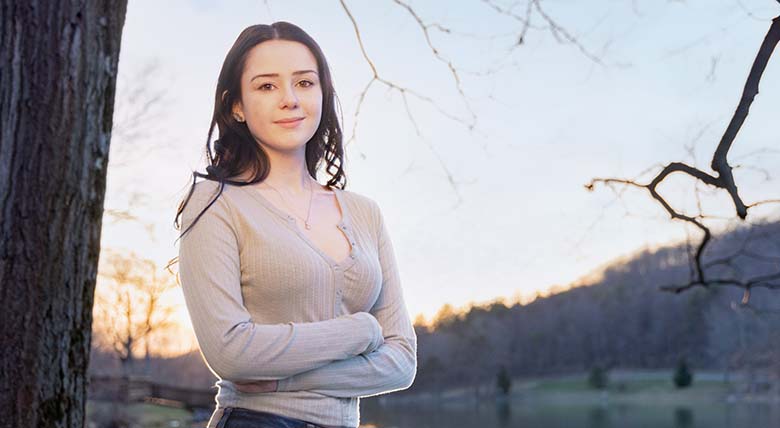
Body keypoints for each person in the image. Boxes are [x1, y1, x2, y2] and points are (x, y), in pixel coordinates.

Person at [172, 22, 417, 428]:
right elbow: (230, 352)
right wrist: (360, 330)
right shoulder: (215, 203)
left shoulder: (364, 212)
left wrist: (284, 381)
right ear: (237, 106)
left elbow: (402, 360)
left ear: (322, 94)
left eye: (304, 83)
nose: (289, 100)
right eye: (267, 86)